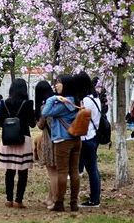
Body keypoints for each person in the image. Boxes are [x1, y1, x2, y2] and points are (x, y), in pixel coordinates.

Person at [41, 75, 82, 213]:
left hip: (63, 140)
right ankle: (74, 203)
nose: (56, 85)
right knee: (74, 171)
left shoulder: (63, 104)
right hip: (76, 139)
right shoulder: (77, 101)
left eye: (59, 83)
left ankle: (59, 202)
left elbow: (45, 112)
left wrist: (53, 98)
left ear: (66, 85)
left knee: (62, 171)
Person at [0, 78, 35, 209]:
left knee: (10, 170)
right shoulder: (28, 103)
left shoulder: (5, 103)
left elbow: (0, 122)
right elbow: (32, 123)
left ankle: (9, 199)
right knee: (22, 171)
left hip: (7, 140)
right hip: (23, 139)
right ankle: (19, 200)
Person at [76, 72, 102, 207]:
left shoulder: (86, 100)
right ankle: (95, 196)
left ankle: (94, 199)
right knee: (93, 169)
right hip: (94, 135)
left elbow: (82, 118)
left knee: (91, 169)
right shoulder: (95, 98)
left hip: (86, 137)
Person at [34, 80, 57, 209]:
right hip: (60, 140)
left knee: (52, 173)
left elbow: (41, 125)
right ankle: (50, 197)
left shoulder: (45, 107)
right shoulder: (57, 102)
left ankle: (55, 199)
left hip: (49, 142)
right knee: (56, 171)